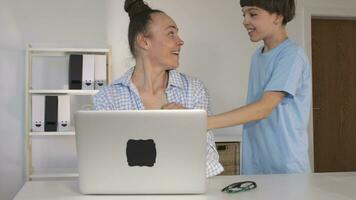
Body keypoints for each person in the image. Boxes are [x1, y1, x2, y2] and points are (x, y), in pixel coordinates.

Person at [93, 0, 223, 177]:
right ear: (144, 42)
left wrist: (186, 126)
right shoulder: (108, 97)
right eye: (171, 33)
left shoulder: (194, 90)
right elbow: (103, 164)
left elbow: (208, 164)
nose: (180, 41)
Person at [208, 0, 312, 175]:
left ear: (278, 17)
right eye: (244, 14)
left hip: (285, 167)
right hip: (255, 163)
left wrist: (204, 122)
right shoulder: (257, 56)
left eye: (253, 14)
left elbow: (263, 109)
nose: (245, 21)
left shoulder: (292, 55)